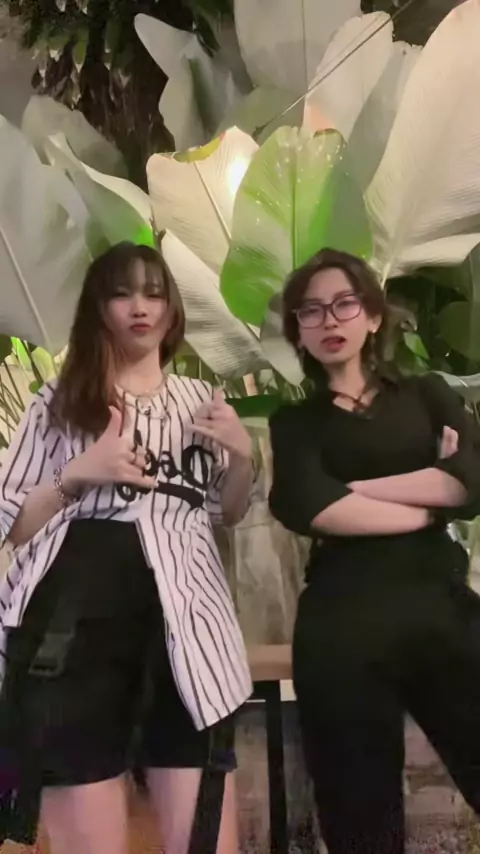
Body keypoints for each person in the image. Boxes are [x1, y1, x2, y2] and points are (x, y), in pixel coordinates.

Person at [0, 242, 256, 854]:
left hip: (190, 635)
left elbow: (227, 511)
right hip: (74, 638)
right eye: (122, 294)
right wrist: (78, 475)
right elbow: (12, 521)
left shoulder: (203, 402)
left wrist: (243, 455)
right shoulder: (59, 401)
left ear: (172, 309)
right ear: (99, 308)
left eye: (154, 293)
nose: (140, 307)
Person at [268, 247, 480, 854]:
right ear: (298, 330)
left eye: (344, 304)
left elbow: (472, 479)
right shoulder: (295, 422)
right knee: (360, 821)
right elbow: (306, 504)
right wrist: (431, 499)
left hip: (440, 608)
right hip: (343, 627)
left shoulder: (427, 395)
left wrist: (353, 490)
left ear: (374, 316)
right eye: (311, 311)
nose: (329, 321)